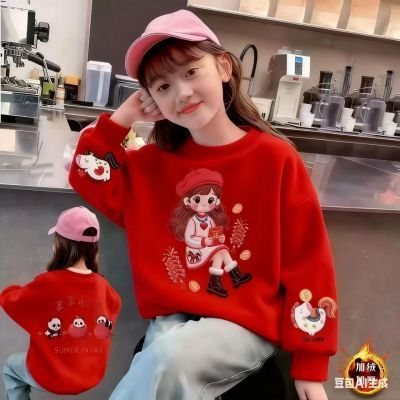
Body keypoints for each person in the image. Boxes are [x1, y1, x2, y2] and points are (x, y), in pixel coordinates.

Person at [69, 9, 338, 400]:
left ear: (224, 67)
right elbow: (86, 171)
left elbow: (309, 263)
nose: (181, 93)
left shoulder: (276, 160)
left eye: (191, 71)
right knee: (161, 357)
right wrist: (124, 116)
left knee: (168, 360)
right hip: (172, 320)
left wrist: (311, 365)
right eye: (162, 86)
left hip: (247, 324)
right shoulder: (150, 167)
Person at [1, 206, 121, 399]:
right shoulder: (104, 287)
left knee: (10, 369)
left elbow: (11, 299)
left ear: (59, 245)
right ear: (95, 248)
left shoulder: (48, 283)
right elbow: (114, 304)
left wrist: (24, 287)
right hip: (90, 376)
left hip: (52, 376)